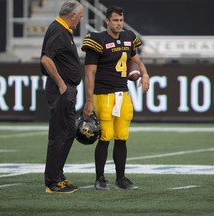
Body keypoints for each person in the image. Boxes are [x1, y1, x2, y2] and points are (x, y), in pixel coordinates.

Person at [81, 5, 150, 190]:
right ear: (107, 21)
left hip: (123, 94)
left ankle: (121, 178)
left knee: (122, 136)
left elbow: (137, 61)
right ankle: (100, 178)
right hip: (103, 95)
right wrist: (88, 101)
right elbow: (89, 74)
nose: (119, 24)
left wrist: (144, 75)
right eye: (115, 20)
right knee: (105, 136)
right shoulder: (97, 40)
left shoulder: (128, 38)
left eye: (121, 20)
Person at [40, 0, 84, 194]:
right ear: (72, 15)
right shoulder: (59, 29)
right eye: (80, 16)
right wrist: (61, 84)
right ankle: (52, 182)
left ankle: (58, 175)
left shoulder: (63, 29)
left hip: (66, 89)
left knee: (68, 132)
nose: (81, 20)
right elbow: (46, 59)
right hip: (61, 90)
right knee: (59, 135)